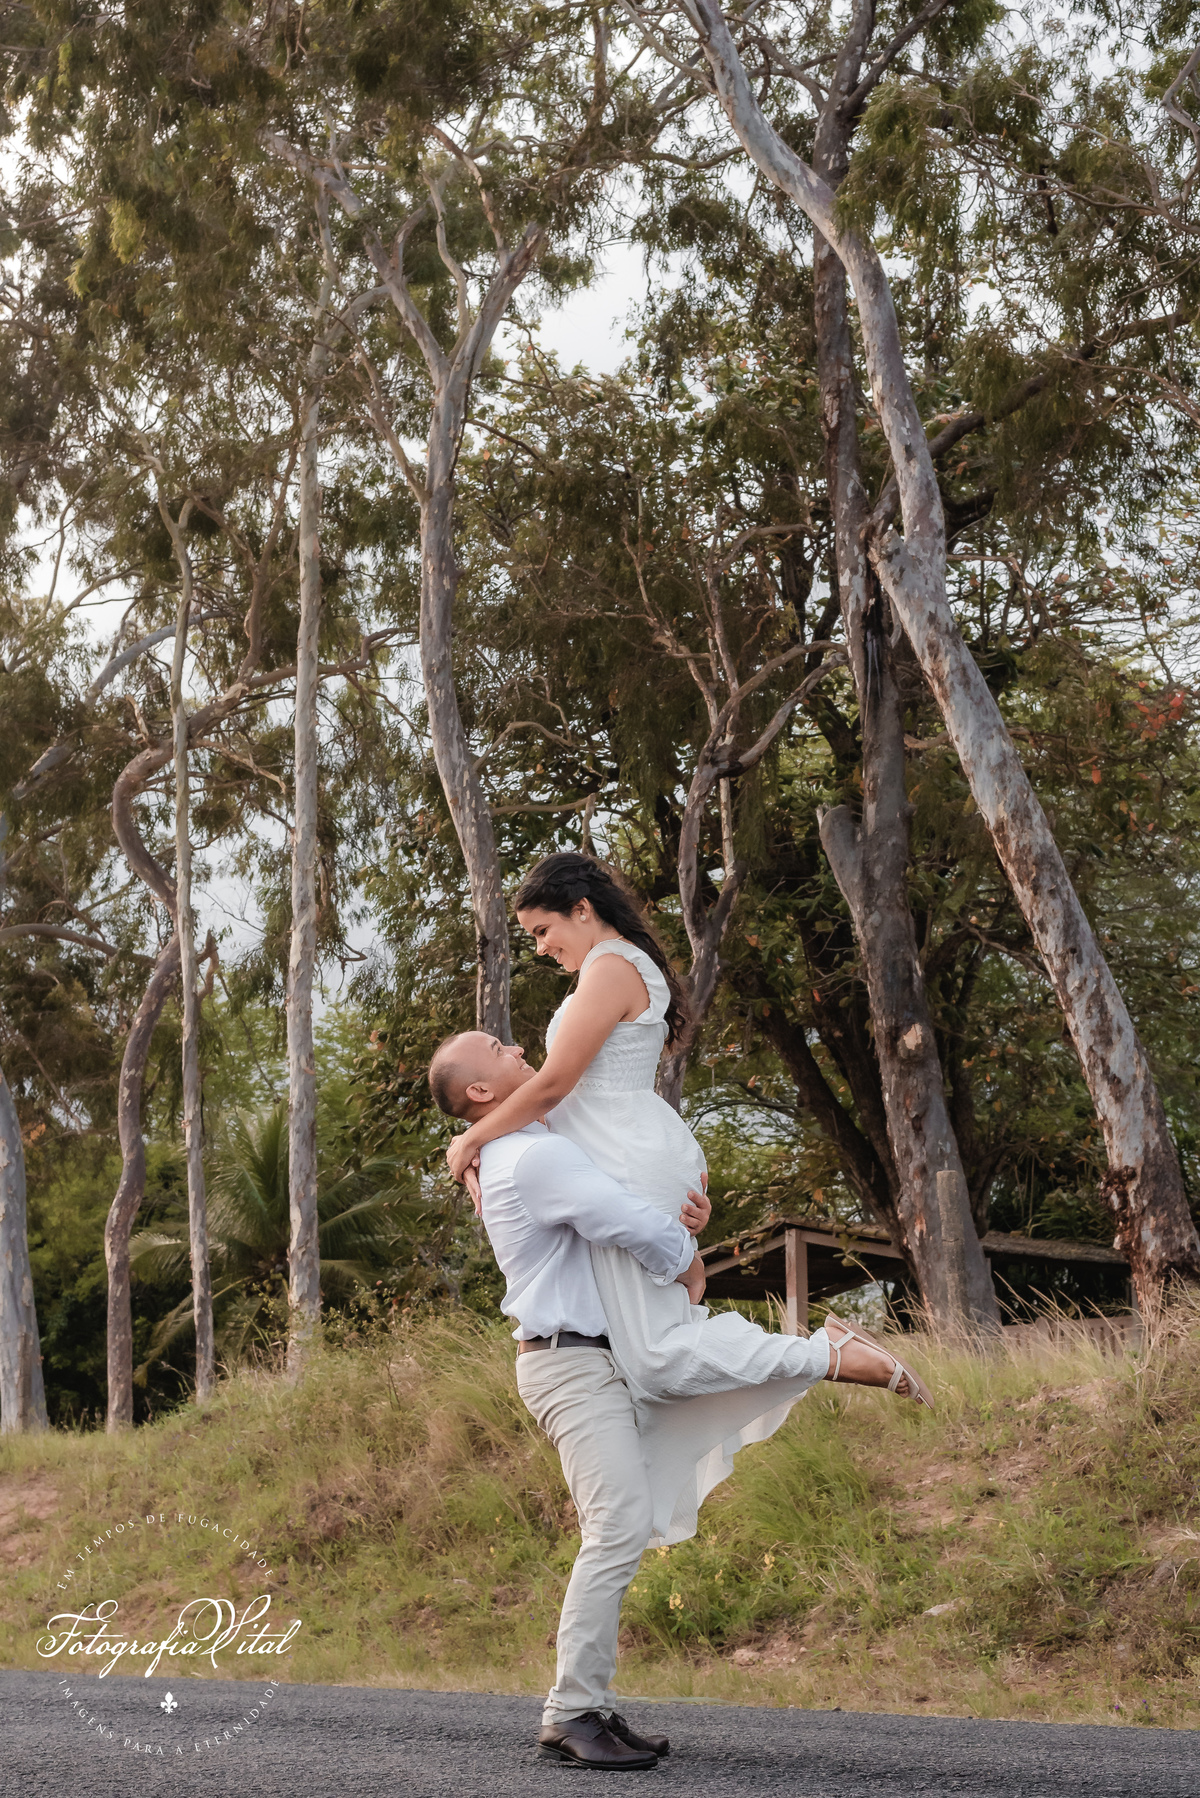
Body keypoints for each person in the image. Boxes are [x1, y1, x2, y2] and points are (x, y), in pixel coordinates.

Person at [428, 1030, 926, 1770]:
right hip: (573, 1364)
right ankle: (570, 1712)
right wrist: (688, 1261)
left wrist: (683, 1211)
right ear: (478, 1089)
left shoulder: (526, 1143)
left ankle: (588, 1705)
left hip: (604, 1355)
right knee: (616, 1529)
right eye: (499, 1048)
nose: (517, 1048)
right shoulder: (534, 1157)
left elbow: (626, 1176)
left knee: (646, 1488)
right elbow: (620, 1219)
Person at [444, 853, 931, 1542]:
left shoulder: (609, 969)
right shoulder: (608, 970)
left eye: (542, 929)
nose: (540, 946)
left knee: (655, 1358)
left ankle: (832, 1354)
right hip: (626, 1162)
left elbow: (553, 1087)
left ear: (582, 909)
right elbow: (561, 1102)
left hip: (629, 1164)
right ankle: (629, 1505)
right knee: (645, 1362)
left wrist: (467, 1143)